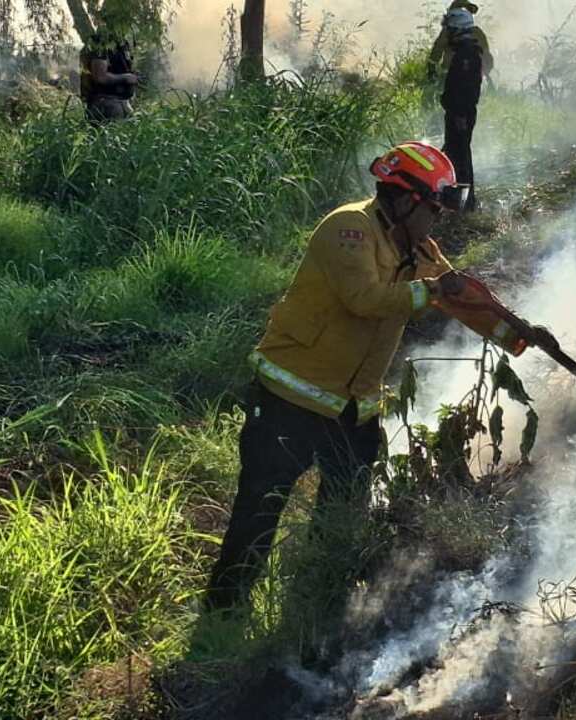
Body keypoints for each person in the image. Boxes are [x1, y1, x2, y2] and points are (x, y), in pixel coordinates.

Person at [202, 143, 472, 656]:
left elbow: (452, 285)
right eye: (433, 209)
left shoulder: (412, 244)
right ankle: (221, 622)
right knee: (259, 515)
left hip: (353, 409)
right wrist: (433, 292)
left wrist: (501, 318)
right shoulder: (348, 229)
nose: (437, 221)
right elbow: (364, 300)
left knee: (340, 520)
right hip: (289, 397)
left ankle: (311, 616)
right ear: (405, 199)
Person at [429, 4, 491, 210]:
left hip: (460, 112)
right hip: (461, 111)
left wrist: (459, 113)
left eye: (451, 30)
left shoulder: (464, 55)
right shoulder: (470, 50)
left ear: (456, 29)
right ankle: (452, 199)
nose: (448, 34)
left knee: (461, 158)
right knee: (453, 153)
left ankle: (466, 205)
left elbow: (461, 88)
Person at [79, 28, 138, 123]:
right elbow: (100, 76)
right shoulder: (101, 41)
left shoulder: (122, 43)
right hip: (106, 103)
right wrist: (126, 77)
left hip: (121, 102)